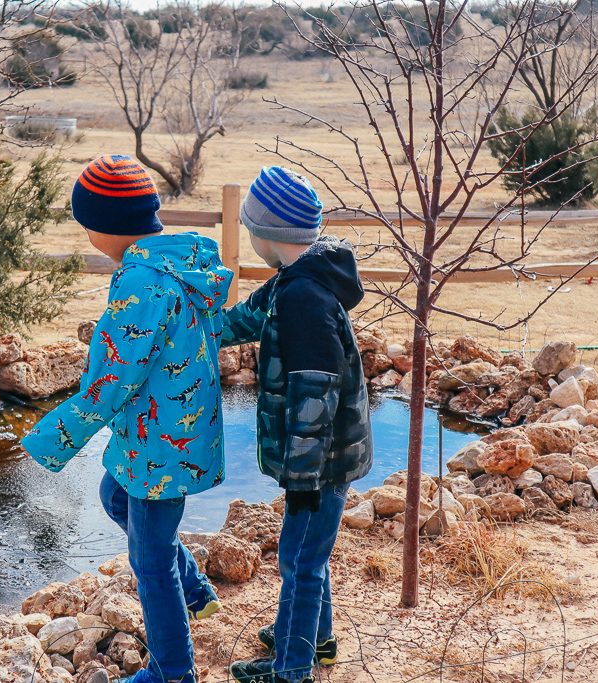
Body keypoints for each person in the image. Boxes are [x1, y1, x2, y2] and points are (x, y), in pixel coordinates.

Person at [21, 154, 232, 683]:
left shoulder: (140, 283)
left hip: (158, 443)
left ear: (99, 228)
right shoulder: (179, 264)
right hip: (173, 430)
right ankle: (196, 593)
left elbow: (112, 378)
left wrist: (51, 438)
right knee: (115, 497)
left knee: (149, 560)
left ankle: (173, 671)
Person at [221, 166, 373, 683]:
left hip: (320, 463)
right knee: (309, 554)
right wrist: (197, 332)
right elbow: (246, 318)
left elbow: (315, 391)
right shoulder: (294, 278)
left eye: (249, 228)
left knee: (299, 562)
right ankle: (318, 639)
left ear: (269, 233)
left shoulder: (305, 299)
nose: (249, 237)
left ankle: (292, 668)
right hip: (324, 458)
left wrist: (303, 476)